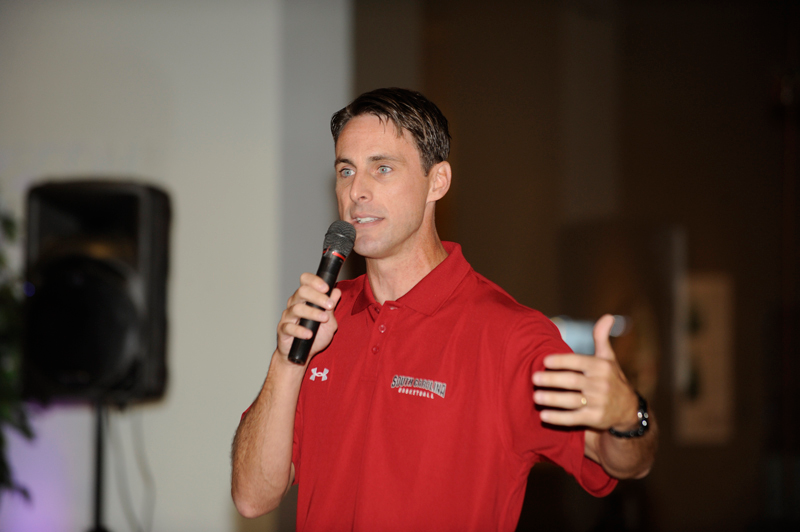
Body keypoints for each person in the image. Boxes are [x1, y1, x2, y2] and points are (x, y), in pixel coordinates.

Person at [231, 88, 657, 531]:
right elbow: (251, 496)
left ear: (438, 181)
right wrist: (285, 362)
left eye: (382, 168)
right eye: (345, 170)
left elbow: (627, 463)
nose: (357, 190)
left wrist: (630, 418)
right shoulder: (322, 323)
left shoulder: (508, 336)